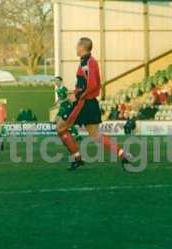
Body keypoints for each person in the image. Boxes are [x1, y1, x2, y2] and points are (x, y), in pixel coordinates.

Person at [56, 37, 131, 171]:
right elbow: (87, 85)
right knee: (96, 135)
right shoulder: (88, 62)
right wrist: (74, 92)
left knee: (60, 128)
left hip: (83, 104)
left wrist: (77, 95)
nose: (75, 49)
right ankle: (123, 155)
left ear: (82, 47)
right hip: (89, 103)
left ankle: (77, 158)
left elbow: (92, 85)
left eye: (77, 46)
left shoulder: (88, 63)